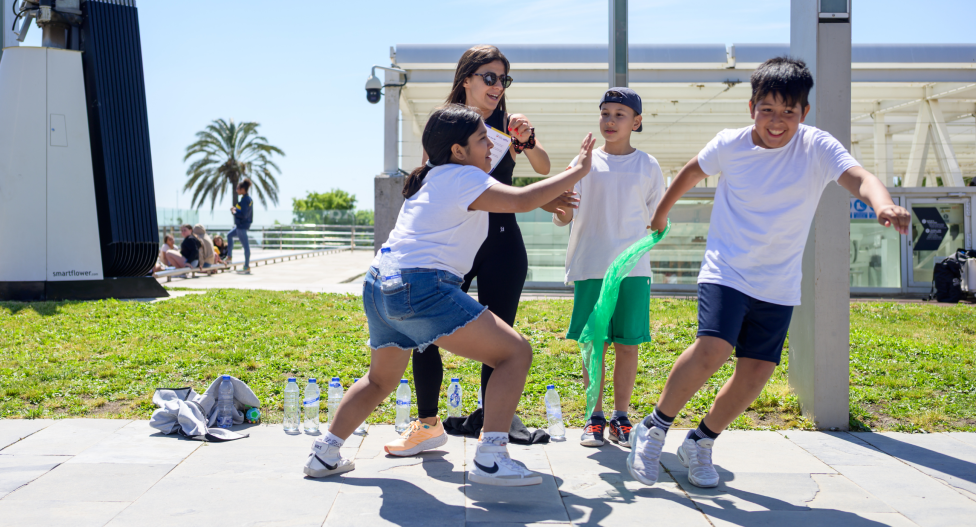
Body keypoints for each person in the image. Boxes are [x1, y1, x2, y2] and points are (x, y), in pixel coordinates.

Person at [627, 57, 910, 489]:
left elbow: (859, 178)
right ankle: (654, 428)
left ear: (804, 112)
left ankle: (700, 442)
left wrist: (882, 204)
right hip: (726, 268)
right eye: (767, 110)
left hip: (778, 280)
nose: (777, 122)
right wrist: (661, 213)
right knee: (713, 348)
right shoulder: (730, 143)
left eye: (788, 112)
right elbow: (691, 171)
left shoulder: (817, 146)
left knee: (756, 372)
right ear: (751, 107)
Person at [302, 105, 596, 486]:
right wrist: (578, 170)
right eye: (482, 140)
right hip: (420, 286)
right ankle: (491, 457)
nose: (491, 146)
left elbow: (511, 197)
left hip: (378, 284)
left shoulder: (432, 175)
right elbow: (520, 201)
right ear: (458, 150)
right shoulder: (464, 176)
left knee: (379, 380)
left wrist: (547, 196)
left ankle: (324, 454)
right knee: (515, 353)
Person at [385, 44, 576, 457]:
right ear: (466, 78)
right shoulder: (445, 123)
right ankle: (427, 425)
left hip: (502, 243)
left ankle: (494, 430)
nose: (497, 85)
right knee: (425, 334)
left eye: (503, 79)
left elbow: (540, 169)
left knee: (501, 341)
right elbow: (438, 185)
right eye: (489, 77)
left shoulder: (508, 124)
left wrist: (528, 140)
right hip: (453, 248)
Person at [552, 87, 664, 448]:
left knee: (628, 345)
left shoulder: (648, 165)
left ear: (637, 121)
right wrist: (560, 206)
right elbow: (564, 214)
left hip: (633, 271)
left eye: (619, 114)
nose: (610, 121)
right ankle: (594, 418)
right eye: (605, 113)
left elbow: (658, 219)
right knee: (594, 344)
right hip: (591, 265)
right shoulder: (584, 161)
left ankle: (621, 417)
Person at [227, 179, 253, 272]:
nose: (236, 190)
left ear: (243, 189)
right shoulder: (246, 198)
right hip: (240, 226)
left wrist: (234, 212)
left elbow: (244, 215)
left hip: (241, 227)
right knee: (229, 235)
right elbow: (243, 212)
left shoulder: (245, 200)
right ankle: (229, 257)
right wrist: (235, 209)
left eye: (238, 188)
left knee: (246, 246)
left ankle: (246, 266)